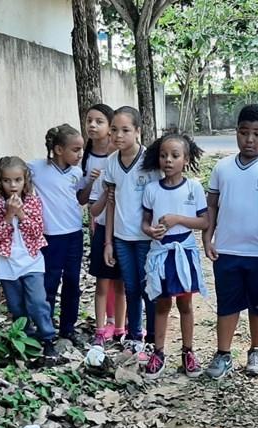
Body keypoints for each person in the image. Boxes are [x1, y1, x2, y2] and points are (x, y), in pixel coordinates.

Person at [202, 104, 258, 379]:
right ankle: (223, 353)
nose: (250, 139)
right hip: (227, 249)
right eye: (243, 132)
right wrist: (208, 237)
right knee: (227, 304)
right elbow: (212, 206)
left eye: (257, 133)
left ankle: (256, 350)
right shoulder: (222, 167)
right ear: (236, 132)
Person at [140, 133, 209, 379]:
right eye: (163, 155)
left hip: (184, 252)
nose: (168, 160)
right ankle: (158, 352)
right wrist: (151, 231)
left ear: (186, 159)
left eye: (175, 155)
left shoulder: (193, 188)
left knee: (185, 304)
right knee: (161, 304)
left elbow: (204, 221)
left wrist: (178, 219)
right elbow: (145, 222)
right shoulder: (151, 189)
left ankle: (188, 352)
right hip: (161, 253)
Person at [103, 106, 161, 356]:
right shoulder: (111, 162)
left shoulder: (150, 160)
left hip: (145, 238)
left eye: (125, 130)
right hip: (122, 238)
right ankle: (134, 334)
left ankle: (153, 336)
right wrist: (108, 242)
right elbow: (111, 201)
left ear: (137, 131)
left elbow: (160, 197)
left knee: (148, 287)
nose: (118, 135)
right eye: (114, 129)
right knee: (130, 288)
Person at [0, 156, 57, 361]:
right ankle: (26, 339)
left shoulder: (33, 202)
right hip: (7, 264)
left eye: (17, 180)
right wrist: (9, 214)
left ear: (25, 180)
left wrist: (20, 213)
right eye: (7, 180)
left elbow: (37, 232)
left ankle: (47, 338)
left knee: (37, 302)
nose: (12, 185)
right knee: (16, 306)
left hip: (32, 260)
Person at [29, 124, 86, 344]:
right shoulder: (36, 168)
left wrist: (90, 182)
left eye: (81, 149)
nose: (80, 154)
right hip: (50, 236)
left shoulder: (77, 172)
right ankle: (46, 328)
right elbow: (10, 170)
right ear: (59, 149)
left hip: (74, 234)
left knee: (72, 281)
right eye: (75, 149)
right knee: (50, 282)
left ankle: (68, 328)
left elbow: (80, 198)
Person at [77, 104, 126, 347]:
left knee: (121, 285)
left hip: (126, 232)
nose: (93, 125)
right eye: (90, 121)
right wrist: (106, 192)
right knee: (102, 284)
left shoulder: (128, 164)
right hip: (102, 231)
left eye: (100, 121)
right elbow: (91, 207)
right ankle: (101, 327)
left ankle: (120, 327)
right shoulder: (100, 168)